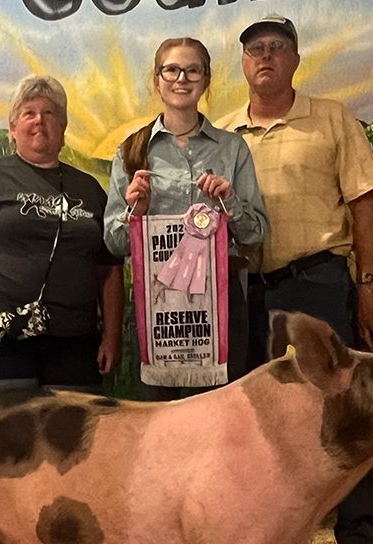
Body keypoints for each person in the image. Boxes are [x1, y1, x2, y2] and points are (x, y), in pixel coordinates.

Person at [217, 15, 373, 544]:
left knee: (340, 405)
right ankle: (260, 542)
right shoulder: (222, 135)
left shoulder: (332, 119)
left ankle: (357, 543)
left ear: (296, 60)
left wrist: (367, 288)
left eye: (277, 48)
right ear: (243, 64)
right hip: (246, 289)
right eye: (255, 49)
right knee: (252, 417)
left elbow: (366, 205)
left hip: (317, 282)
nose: (265, 56)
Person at [104, 36, 268, 395]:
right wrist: (136, 211)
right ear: (157, 80)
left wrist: (230, 204)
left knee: (218, 425)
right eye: (172, 70)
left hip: (221, 303)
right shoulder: (131, 151)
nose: (182, 78)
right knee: (159, 426)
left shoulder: (232, 149)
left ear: (206, 80)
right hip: (157, 307)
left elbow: (256, 235)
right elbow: (114, 244)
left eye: (193, 70)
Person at [0, 74, 124, 391]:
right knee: (2, 436)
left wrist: (111, 336)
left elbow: (109, 269)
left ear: (63, 129)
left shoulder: (90, 189)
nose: (40, 121)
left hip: (74, 344)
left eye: (50, 113)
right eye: (29, 113)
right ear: (13, 129)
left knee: (72, 436)